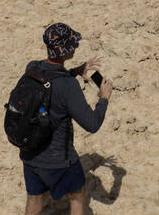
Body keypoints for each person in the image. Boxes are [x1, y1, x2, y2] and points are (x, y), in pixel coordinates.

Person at [20, 23, 111, 215]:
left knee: (35, 199)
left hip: (29, 153)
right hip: (59, 160)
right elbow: (92, 124)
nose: (76, 47)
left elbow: (50, 81)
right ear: (66, 50)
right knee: (77, 196)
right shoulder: (68, 87)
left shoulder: (32, 67)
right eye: (73, 44)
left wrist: (75, 70)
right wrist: (103, 99)